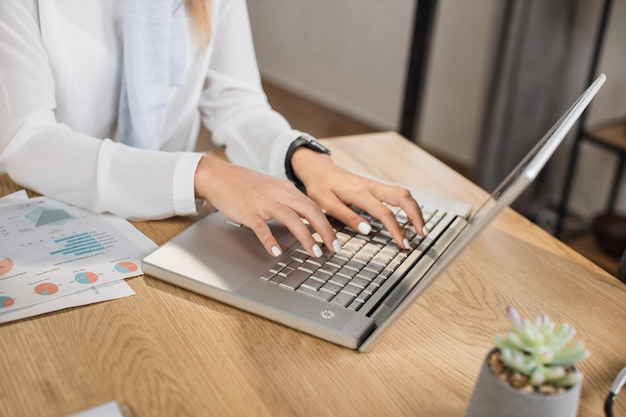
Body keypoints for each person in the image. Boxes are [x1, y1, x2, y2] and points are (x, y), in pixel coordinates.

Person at [0, 0, 426, 259]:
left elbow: (234, 101)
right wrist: (204, 174)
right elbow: (28, 140)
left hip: (163, 222)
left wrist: (305, 160)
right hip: (44, 214)